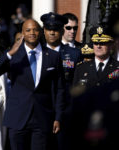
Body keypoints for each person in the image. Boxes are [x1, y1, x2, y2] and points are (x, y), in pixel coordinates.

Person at [0, 19, 65, 150]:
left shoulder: (53, 56)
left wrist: (58, 117)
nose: (32, 33)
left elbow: (60, 89)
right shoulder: (14, 54)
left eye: (35, 29)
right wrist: (10, 54)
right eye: (28, 30)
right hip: (18, 118)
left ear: (40, 32)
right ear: (22, 33)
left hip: (42, 118)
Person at [40, 12, 82, 150]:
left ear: (61, 30)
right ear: (44, 30)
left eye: (56, 29)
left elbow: (78, 84)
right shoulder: (36, 52)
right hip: (41, 111)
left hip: (65, 110)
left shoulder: (75, 53)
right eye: (49, 29)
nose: (52, 33)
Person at [73, 25, 119, 89]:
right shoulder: (81, 68)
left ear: (110, 45)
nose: (98, 46)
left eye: (102, 43)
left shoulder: (118, 67)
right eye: (95, 43)